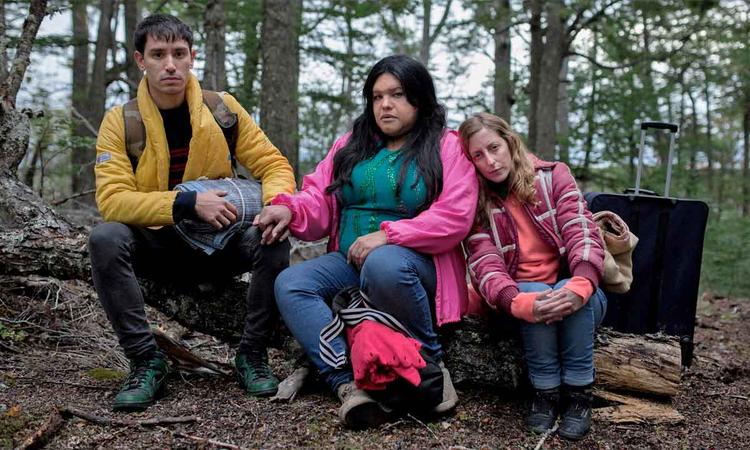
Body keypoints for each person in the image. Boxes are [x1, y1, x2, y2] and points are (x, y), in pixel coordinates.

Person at [254, 55, 479, 429]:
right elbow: (320, 199)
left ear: (419, 99)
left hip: (415, 269)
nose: (385, 104)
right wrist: (289, 210)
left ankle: (431, 367)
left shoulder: (447, 146)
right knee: (292, 283)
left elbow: (455, 216)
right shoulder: (352, 144)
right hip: (349, 262)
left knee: (384, 262)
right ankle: (349, 382)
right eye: (377, 97)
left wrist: (389, 235)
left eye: (397, 94)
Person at [88, 14, 296, 412]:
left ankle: (252, 355)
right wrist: (185, 203)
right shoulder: (121, 121)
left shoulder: (222, 109)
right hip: (159, 246)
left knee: (272, 237)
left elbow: (273, 164)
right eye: (158, 54)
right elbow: (112, 201)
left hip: (221, 244)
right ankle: (146, 361)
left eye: (178, 53)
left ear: (192, 57)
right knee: (105, 238)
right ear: (140, 60)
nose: (170, 64)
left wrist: (277, 204)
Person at [459, 113, 606, 441]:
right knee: (532, 288)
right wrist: (521, 302)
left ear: (510, 142)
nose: (491, 161)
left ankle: (579, 396)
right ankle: (545, 394)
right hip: (517, 304)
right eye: (478, 156)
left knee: (568, 288)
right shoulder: (475, 203)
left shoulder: (553, 176)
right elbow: (485, 265)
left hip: (580, 294)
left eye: (494, 147)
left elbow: (581, 229)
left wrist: (581, 283)